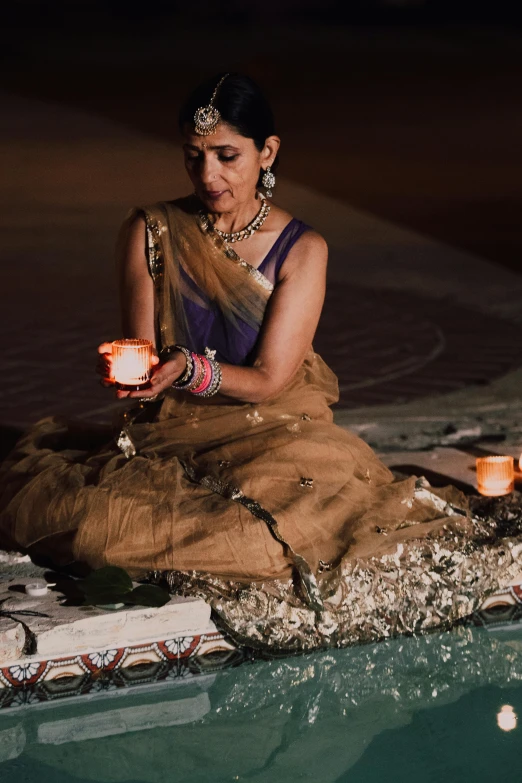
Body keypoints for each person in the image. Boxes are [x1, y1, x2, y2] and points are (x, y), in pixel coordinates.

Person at [0, 73, 520, 654]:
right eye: (194, 157)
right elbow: (145, 363)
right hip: (172, 436)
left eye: (227, 156)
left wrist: (190, 369)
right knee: (99, 526)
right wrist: (137, 380)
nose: (208, 176)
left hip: (275, 429)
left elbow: (272, 378)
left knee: (275, 536)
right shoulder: (151, 230)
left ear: (267, 152)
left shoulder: (302, 248)